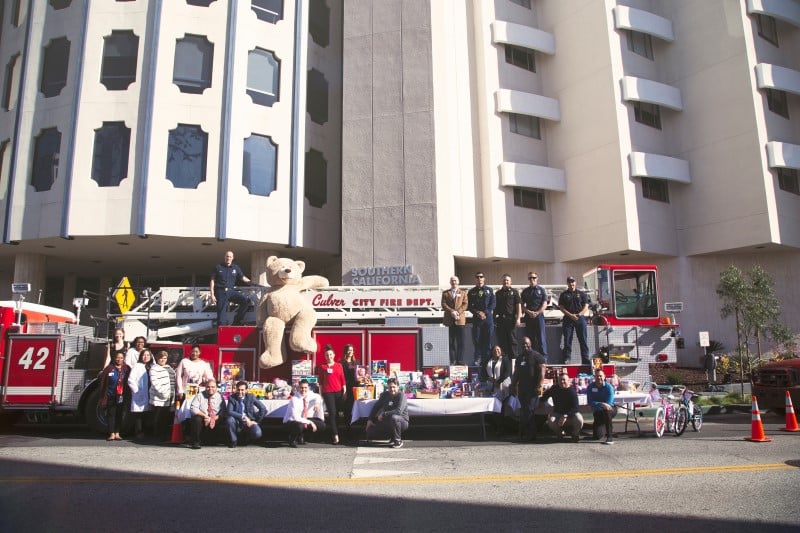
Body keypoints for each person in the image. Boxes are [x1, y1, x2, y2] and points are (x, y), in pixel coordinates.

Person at [511, 337, 547, 441]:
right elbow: (516, 373)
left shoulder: (537, 356)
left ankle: (531, 434)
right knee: (524, 410)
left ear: (530, 344)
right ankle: (523, 432)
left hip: (533, 389)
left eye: (527, 344)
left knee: (530, 410)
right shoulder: (519, 358)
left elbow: (542, 371)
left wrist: (539, 385)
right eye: (523, 344)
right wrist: (513, 385)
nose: (525, 346)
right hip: (522, 389)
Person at [210, 250, 252, 326]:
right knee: (221, 316)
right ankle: (222, 331)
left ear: (232, 258)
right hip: (220, 292)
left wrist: (253, 283)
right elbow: (212, 281)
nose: (228, 258)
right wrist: (212, 295)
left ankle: (237, 321)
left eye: (230, 257)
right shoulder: (218, 267)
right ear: (224, 257)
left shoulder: (236, 267)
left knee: (245, 301)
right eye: (227, 256)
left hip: (231, 292)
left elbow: (243, 278)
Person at [315, 345, 346, 444]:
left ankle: (336, 431)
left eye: (331, 354)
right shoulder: (322, 367)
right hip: (328, 393)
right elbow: (320, 382)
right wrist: (320, 394)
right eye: (327, 355)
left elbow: (342, 379)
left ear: (334, 355)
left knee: (337, 414)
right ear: (325, 356)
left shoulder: (339, 366)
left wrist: (344, 390)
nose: (329, 356)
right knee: (332, 413)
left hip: (338, 392)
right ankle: (335, 435)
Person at [366, 378, 409, 448]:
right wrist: (370, 419)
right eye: (390, 387)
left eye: (394, 387)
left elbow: (398, 411)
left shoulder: (402, 395)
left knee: (394, 418)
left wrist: (384, 414)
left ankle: (398, 440)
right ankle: (391, 437)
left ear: (398, 387)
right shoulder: (384, 395)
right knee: (370, 431)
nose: (392, 389)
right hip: (387, 421)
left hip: (401, 422)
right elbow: (376, 406)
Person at [283, 379, 326, 448]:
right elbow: (296, 418)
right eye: (301, 388)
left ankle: (302, 435)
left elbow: (318, 396)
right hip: (291, 422)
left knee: (322, 425)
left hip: (303, 419)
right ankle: (292, 439)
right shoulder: (294, 399)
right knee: (300, 426)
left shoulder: (309, 394)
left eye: (305, 388)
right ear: (298, 388)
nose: (303, 390)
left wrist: (317, 403)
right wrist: (310, 423)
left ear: (308, 388)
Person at [99, 351, 131, 441]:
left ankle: (117, 433)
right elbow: (102, 381)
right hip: (111, 395)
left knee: (119, 414)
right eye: (117, 357)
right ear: (114, 358)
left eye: (121, 358)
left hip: (121, 396)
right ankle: (111, 433)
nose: (119, 359)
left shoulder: (126, 368)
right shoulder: (109, 368)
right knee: (111, 414)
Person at [558, 276, 590, 364]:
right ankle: (567, 358)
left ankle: (585, 358)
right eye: (569, 282)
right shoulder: (564, 294)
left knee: (583, 339)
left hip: (580, 318)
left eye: (573, 282)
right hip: (568, 319)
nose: (571, 284)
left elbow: (586, 305)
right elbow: (561, 307)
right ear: (567, 283)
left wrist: (580, 314)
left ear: (575, 282)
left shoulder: (582, 293)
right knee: (567, 340)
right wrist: (570, 315)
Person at [542, 373, 583, 442]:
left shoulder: (572, 392)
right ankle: (560, 433)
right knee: (551, 420)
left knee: (579, 418)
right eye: (560, 380)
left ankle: (575, 434)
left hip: (570, 415)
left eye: (564, 380)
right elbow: (545, 396)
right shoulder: (554, 388)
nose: (562, 381)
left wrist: (565, 415)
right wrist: (540, 401)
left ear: (568, 381)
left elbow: (576, 408)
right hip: (558, 413)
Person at [189, 379, 228, 449]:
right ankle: (196, 442)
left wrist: (212, 419)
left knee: (224, 419)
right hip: (203, 418)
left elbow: (223, 412)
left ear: (216, 388)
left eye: (213, 387)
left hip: (215, 419)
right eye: (208, 387)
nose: (210, 389)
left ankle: (218, 439)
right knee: (196, 419)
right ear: (205, 387)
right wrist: (205, 416)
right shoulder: (200, 395)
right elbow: (193, 408)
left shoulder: (220, 397)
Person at [225, 381, 266, 447]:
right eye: (238, 389)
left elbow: (263, 408)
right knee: (230, 420)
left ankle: (247, 439)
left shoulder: (251, 397)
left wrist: (256, 421)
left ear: (246, 390)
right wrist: (243, 417)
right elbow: (229, 411)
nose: (240, 392)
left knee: (257, 433)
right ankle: (233, 440)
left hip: (249, 421)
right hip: (237, 421)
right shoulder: (232, 398)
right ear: (236, 389)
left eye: (242, 390)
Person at [467, 271, 495, 369]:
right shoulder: (471, 292)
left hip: (488, 319)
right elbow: (469, 306)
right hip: (477, 319)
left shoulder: (489, 290)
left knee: (487, 340)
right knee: (477, 340)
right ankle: (477, 359)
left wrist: (485, 313)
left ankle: (487, 360)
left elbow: (493, 304)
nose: (479, 279)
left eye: (481, 277)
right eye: (477, 277)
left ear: (484, 278)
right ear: (475, 279)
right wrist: (477, 313)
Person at [149, 350, 176, 442]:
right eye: (161, 358)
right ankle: (157, 436)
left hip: (170, 397)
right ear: (157, 358)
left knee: (166, 418)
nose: (163, 360)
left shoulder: (169, 367)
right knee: (158, 417)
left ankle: (164, 435)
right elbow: (155, 383)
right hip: (160, 397)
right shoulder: (154, 368)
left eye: (165, 358)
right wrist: (164, 393)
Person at [485, 345, 512, 435]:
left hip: (503, 386)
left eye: (498, 349)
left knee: (501, 408)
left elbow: (507, 372)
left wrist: (498, 381)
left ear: (501, 351)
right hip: (492, 387)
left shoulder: (505, 359)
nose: (496, 351)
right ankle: (497, 426)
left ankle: (501, 428)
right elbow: (484, 372)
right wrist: (489, 378)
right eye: (495, 349)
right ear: (492, 351)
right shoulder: (488, 361)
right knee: (494, 408)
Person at [521, 271, 548, 359]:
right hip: (529, 317)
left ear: (537, 278)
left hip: (539, 316)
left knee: (541, 338)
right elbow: (521, 305)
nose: (532, 279)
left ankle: (543, 358)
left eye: (534, 278)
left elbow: (544, 304)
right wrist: (528, 312)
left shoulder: (541, 290)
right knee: (530, 338)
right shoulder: (525, 291)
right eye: (530, 278)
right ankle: (531, 357)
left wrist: (537, 312)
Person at [441, 275, 468, 364]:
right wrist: (452, 312)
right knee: (451, 342)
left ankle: (460, 360)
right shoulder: (445, 293)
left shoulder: (463, 293)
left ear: (458, 282)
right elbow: (444, 304)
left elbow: (465, 304)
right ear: (450, 282)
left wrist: (458, 312)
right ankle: (452, 360)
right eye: (452, 281)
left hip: (460, 321)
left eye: (455, 280)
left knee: (461, 342)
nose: (454, 282)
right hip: (449, 321)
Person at [127, 349, 153, 439]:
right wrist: (136, 391)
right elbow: (130, 380)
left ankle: (146, 432)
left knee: (147, 414)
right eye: (144, 355)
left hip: (149, 393)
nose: (146, 357)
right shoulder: (137, 366)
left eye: (148, 355)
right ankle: (138, 433)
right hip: (140, 393)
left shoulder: (152, 367)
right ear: (141, 356)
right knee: (139, 415)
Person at [494, 274, 521, 359]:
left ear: (510, 282)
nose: (506, 282)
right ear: (502, 282)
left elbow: (518, 306)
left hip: (511, 319)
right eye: (504, 280)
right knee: (502, 340)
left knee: (513, 340)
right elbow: (495, 308)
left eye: (507, 280)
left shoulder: (515, 292)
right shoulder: (498, 293)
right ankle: (504, 359)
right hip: (501, 320)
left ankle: (514, 359)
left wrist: (518, 318)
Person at [587, 369, 616, 444]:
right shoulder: (590, 387)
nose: (599, 377)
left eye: (600, 376)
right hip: (598, 412)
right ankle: (605, 427)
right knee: (597, 436)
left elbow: (608, 404)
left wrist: (596, 405)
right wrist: (600, 404)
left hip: (610, 409)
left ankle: (610, 437)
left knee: (607, 412)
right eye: (597, 376)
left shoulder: (609, 387)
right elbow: (590, 402)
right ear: (594, 377)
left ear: (604, 377)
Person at [341, 343, 358, 430]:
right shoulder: (342, 363)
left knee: (355, 406)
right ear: (345, 351)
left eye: (351, 350)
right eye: (348, 350)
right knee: (347, 408)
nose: (350, 352)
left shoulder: (356, 362)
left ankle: (354, 425)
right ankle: (348, 427)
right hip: (346, 387)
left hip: (355, 387)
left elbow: (359, 375)